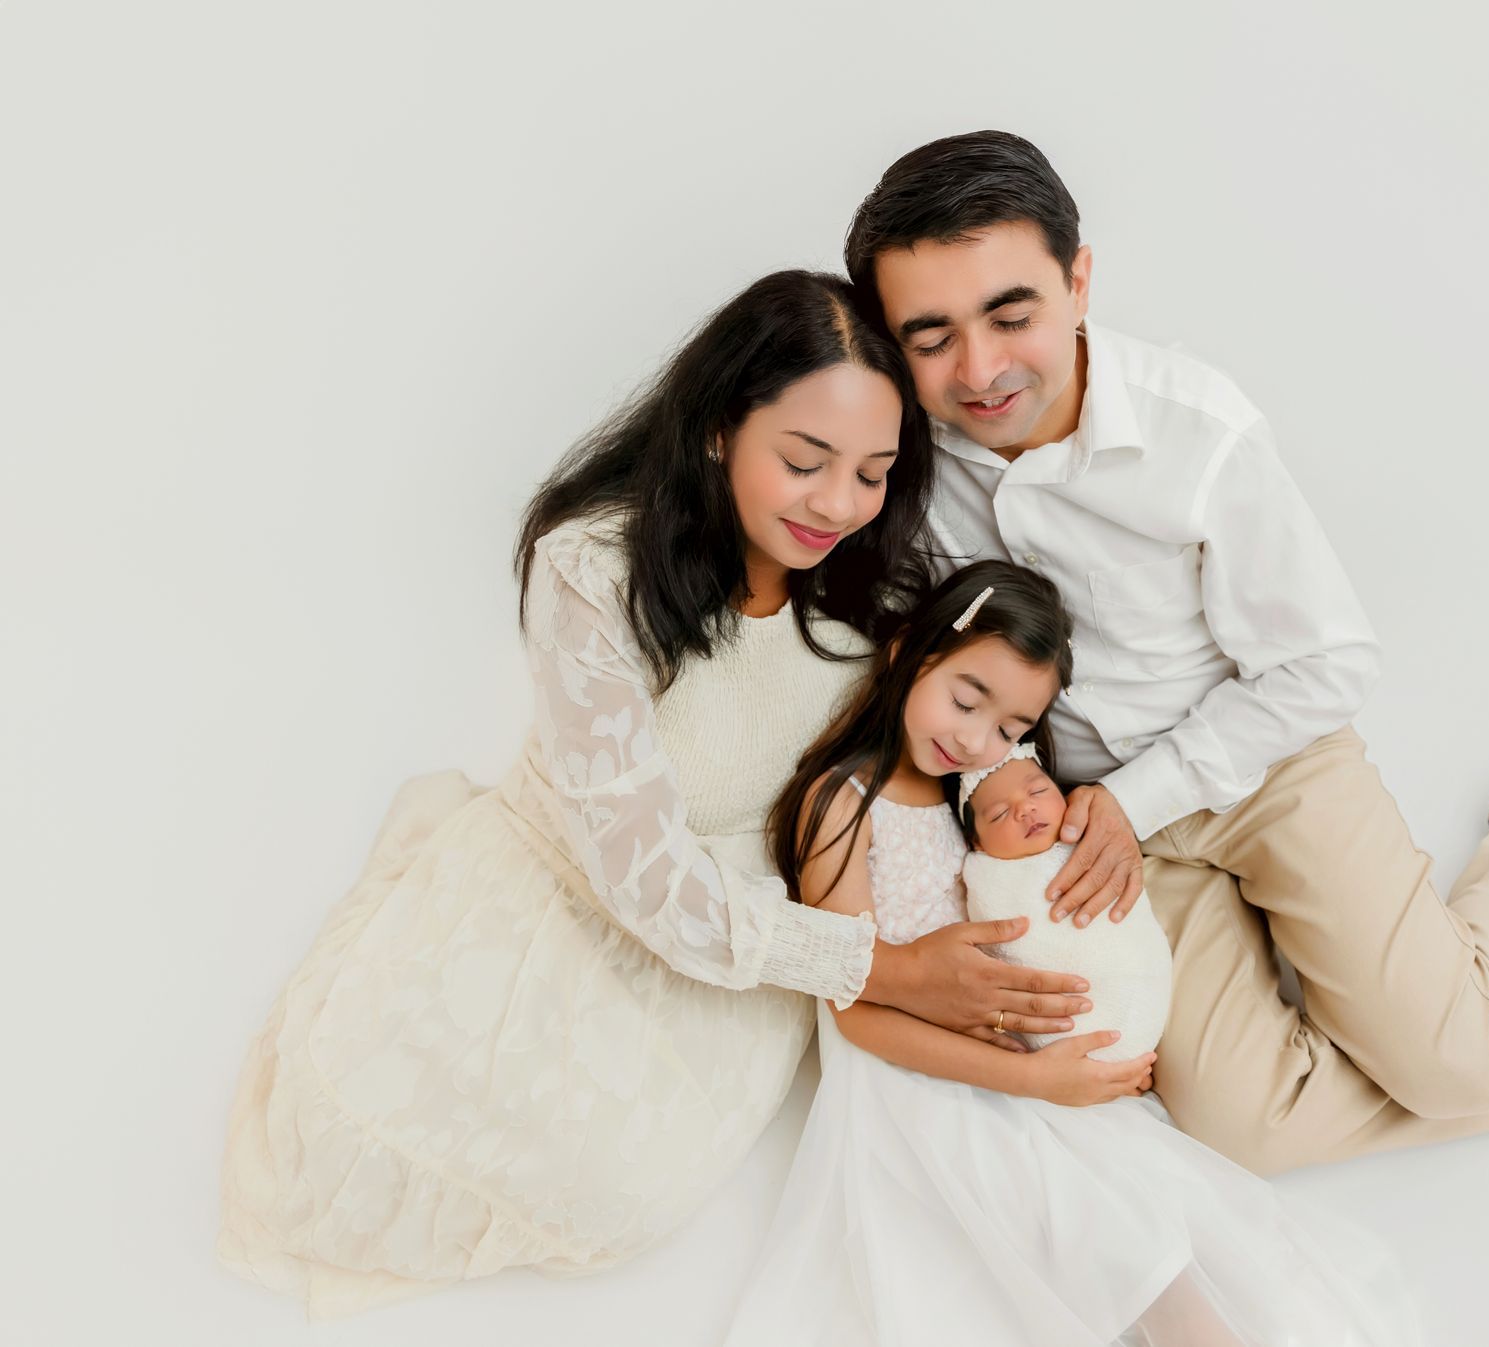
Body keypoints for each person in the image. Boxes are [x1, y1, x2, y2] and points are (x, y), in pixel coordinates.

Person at [839, 131, 1489, 1177]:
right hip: (1097, 830)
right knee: (1236, 1126)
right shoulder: (889, 464)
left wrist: (1139, 799)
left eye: (1012, 315)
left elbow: (1323, 666)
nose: (980, 369)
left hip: (1263, 762)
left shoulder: (1199, 431)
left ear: (1079, 282)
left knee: (1454, 1070)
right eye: (930, 337)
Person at [216, 270, 1093, 1316]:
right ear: (721, 428)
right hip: (586, 879)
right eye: (805, 462)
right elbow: (641, 874)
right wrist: (880, 968)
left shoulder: (874, 588)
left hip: (755, 924)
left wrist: (1076, 805)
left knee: (633, 1186)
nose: (838, 505)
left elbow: (979, 714)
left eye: (872, 472)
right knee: (391, 1119)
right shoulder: (593, 569)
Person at [728, 562, 1418, 1347]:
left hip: (1015, 1060)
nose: (975, 740)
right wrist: (1031, 1076)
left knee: (1145, 1201)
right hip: (919, 1081)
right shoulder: (842, 804)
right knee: (1074, 1212)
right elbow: (853, 1009)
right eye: (964, 699)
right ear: (905, 656)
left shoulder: (980, 800)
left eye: (1011, 730)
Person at [958, 740, 1173, 1062]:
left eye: (1038, 792)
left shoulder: (1094, 832)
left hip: (1139, 991)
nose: (1025, 809)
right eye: (1001, 813)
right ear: (977, 844)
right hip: (1058, 1024)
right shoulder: (987, 877)